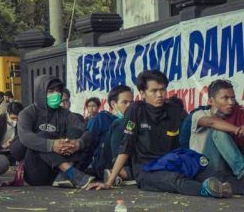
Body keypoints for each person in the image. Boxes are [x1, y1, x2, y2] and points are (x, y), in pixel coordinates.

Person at [87, 70, 233, 199]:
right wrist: (109, 181)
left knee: (211, 172)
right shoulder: (136, 110)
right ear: (142, 93)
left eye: (162, 90)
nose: (159, 95)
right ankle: (209, 191)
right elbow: (126, 145)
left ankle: (225, 187)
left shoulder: (173, 109)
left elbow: (189, 128)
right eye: (154, 91)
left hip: (173, 161)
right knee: (175, 180)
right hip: (147, 169)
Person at [15, 75, 93, 188]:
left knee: (76, 132)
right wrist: (52, 145)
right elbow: (25, 137)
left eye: (58, 91)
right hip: (35, 171)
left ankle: (65, 174)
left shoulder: (65, 114)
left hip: (57, 173)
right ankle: (71, 173)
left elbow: (87, 132)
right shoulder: (27, 113)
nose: (56, 94)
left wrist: (78, 144)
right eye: (50, 91)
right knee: (43, 135)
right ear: (40, 93)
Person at [189, 80, 244, 189]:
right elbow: (212, 122)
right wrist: (238, 129)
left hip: (225, 171)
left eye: (233, 98)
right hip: (203, 169)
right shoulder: (199, 114)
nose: (231, 102)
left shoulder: (233, 117)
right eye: (225, 98)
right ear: (210, 101)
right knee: (218, 131)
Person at [81, 86, 133, 175]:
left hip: (127, 162)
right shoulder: (101, 118)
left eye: (131, 103)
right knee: (119, 124)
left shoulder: (132, 121)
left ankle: (125, 172)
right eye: (125, 102)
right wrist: (80, 170)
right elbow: (88, 145)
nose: (129, 106)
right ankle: (118, 172)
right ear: (113, 104)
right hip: (104, 165)